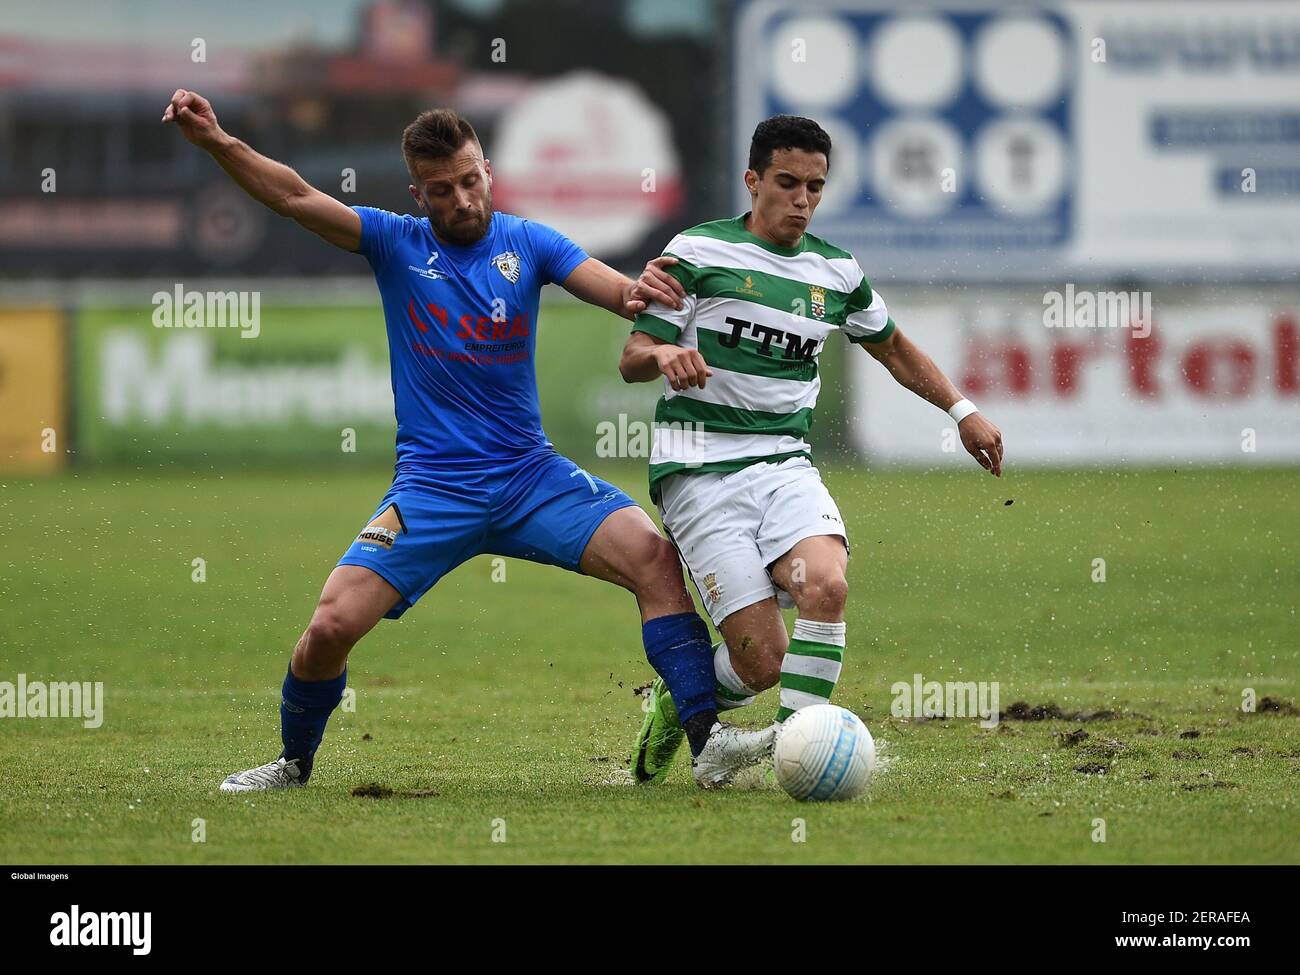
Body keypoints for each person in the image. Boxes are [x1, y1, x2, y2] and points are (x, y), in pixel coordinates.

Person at [161, 89, 770, 791]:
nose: (463, 199)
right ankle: (293, 764)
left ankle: (706, 744)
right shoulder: (394, 242)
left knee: (654, 559)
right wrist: (215, 142)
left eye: (472, 180)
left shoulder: (530, 242)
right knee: (329, 627)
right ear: (420, 195)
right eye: (443, 189)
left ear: (489, 171)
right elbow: (296, 197)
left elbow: (614, 289)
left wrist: (644, 295)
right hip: (433, 490)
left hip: (529, 477)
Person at [622, 115, 1005, 784]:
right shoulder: (697, 252)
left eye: (816, 188)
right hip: (698, 470)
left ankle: (795, 758)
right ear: (753, 181)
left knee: (826, 585)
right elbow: (632, 358)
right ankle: (676, 703)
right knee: (760, 661)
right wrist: (663, 352)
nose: (802, 199)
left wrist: (961, 410)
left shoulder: (835, 270)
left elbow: (892, 347)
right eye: (787, 183)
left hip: (784, 465)